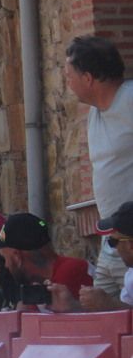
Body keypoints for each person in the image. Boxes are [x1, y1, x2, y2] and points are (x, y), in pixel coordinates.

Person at [66, 36, 133, 299]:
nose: (68, 83)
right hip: (111, 240)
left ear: (88, 78)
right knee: (96, 312)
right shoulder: (95, 113)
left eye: (70, 75)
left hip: (130, 238)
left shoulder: (129, 100)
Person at [0, 211, 91, 313]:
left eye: (5, 259)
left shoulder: (70, 271)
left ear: (17, 257)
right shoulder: (39, 285)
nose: (6, 266)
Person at [80, 201, 133, 311]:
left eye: (112, 242)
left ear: (130, 245)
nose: (115, 249)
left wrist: (109, 304)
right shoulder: (130, 273)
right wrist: (70, 304)